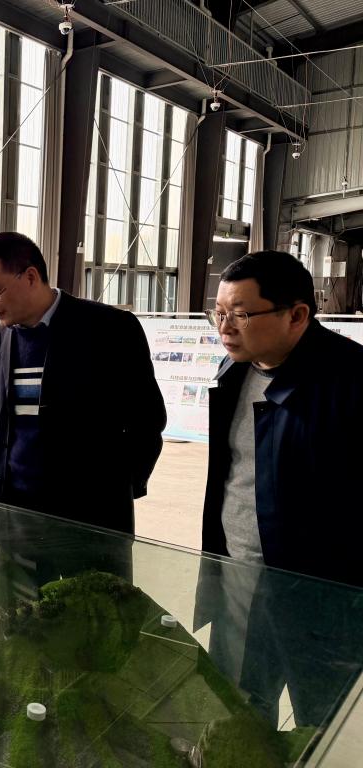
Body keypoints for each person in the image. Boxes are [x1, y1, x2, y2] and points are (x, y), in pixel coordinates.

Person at [194, 250, 363, 726]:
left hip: (322, 598)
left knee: (323, 723)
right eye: (218, 312)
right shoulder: (235, 370)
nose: (225, 327)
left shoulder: (350, 381)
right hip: (238, 578)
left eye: (241, 314)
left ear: (297, 315)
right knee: (239, 711)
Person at [0, 231, 165, 537]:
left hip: (90, 519)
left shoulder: (109, 329)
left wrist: (116, 489)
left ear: (31, 276)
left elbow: (147, 421)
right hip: (17, 517)